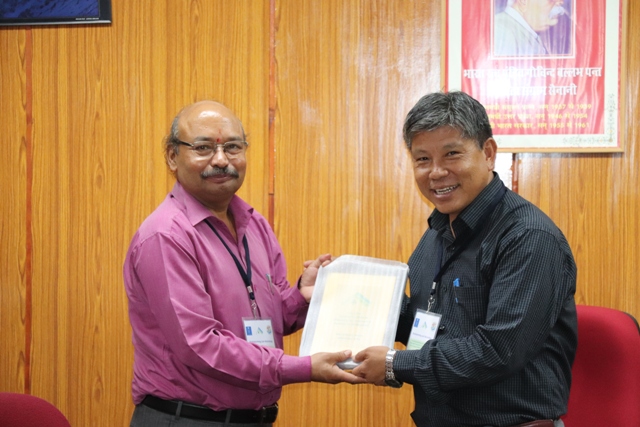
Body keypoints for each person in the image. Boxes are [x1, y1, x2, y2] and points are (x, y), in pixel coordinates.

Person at [124, 100, 363, 427]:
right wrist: (303, 367)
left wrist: (302, 297)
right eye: (203, 148)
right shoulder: (166, 235)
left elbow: (271, 316)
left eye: (233, 147)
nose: (221, 160)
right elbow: (199, 345)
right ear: (172, 156)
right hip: (187, 419)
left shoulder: (254, 224)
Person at [352, 91, 577, 427]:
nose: (436, 172)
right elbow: (427, 327)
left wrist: (394, 364)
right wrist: (340, 292)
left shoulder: (528, 237)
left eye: (452, 154)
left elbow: (498, 350)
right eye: (422, 159)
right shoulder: (435, 235)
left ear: (488, 153)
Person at [494, 0, 568, 57]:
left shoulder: (528, 31)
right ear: (523, 2)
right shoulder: (500, 31)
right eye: (551, 0)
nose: (560, 2)